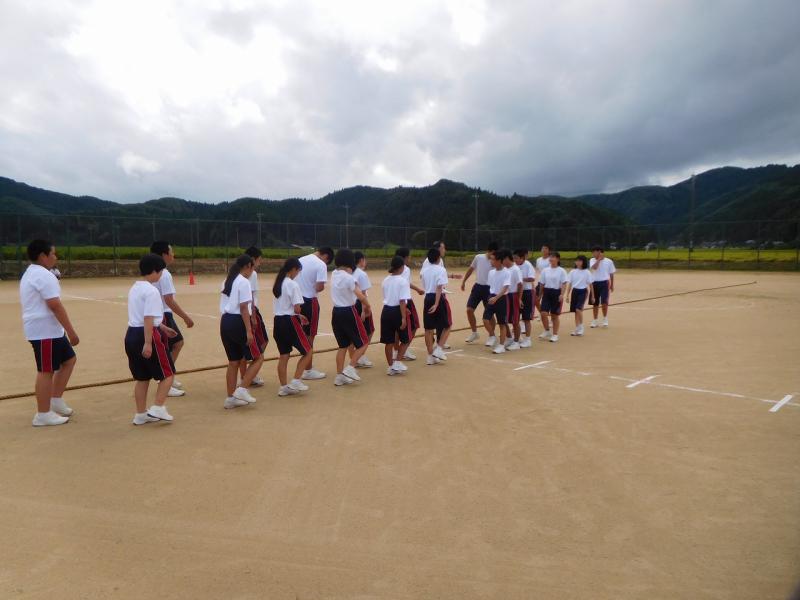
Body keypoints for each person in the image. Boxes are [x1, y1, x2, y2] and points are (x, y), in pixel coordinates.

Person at [20, 239, 79, 427]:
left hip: (51, 330)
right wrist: (71, 331)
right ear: (42, 256)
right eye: (53, 253)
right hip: (44, 331)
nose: (56, 257)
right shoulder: (43, 275)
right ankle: (43, 414)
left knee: (69, 360)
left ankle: (55, 399)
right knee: (46, 370)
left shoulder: (34, 272)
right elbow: (55, 305)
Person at [124, 253, 179, 425]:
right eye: (161, 271)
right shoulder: (152, 291)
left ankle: (141, 414)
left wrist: (163, 327)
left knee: (142, 378)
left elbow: (144, 316)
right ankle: (158, 407)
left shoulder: (135, 288)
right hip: (147, 335)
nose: (161, 275)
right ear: (154, 271)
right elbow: (148, 317)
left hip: (131, 334)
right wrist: (148, 343)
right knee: (168, 373)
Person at [150, 241, 194, 398]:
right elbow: (169, 300)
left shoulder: (153, 272)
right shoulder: (165, 274)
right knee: (177, 344)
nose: (173, 254)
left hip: (157, 314)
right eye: (171, 251)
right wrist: (186, 317)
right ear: (164, 255)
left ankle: (168, 377)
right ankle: (166, 379)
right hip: (164, 314)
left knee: (172, 345)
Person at [219, 255, 263, 409]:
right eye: (253, 267)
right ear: (248, 266)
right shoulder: (244, 282)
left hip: (225, 321)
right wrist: (249, 331)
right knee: (258, 357)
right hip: (238, 322)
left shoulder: (227, 280)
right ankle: (242, 388)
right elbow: (244, 308)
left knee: (233, 362)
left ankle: (230, 398)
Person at [272, 257, 313, 396]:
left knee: (284, 355)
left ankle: (284, 386)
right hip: (290, 322)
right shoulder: (292, 284)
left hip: (278, 321)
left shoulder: (279, 283)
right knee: (308, 351)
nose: (297, 274)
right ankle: (296, 380)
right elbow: (296, 308)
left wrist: (298, 315)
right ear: (294, 269)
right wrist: (299, 314)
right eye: (298, 271)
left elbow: (284, 306)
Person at [330, 249, 371, 386]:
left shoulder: (334, 274)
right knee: (364, 341)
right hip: (348, 311)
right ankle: (350, 367)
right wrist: (368, 306)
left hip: (336, 312)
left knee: (343, 346)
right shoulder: (349, 278)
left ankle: (339, 376)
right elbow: (360, 296)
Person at [296, 246, 334, 380]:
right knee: (310, 336)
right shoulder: (321, 264)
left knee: (300, 334)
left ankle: (305, 367)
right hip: (309, 301)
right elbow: (319, 287)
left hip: (296, 300)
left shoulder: (301, 259)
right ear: (326, 257)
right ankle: (308, 369)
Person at [461, 241, 498, 344]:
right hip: (477, 287)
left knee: (489, 314)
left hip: (489, 289)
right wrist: (464, 281)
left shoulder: (496, 260)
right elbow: (470, 269)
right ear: (489, 251)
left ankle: (492, 335)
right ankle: (474, 333)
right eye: (493, 253)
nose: (493, 255)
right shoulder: (478, 257)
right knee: (469, 310)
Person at [380, 256, 412, 376]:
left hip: (386, 311)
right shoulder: (403, 281)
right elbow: (402, 301)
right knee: (405, 339)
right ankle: (397, 362)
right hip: (397, 311)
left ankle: (391, 366)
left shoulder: (385, 280)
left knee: (389, 341)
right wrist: (403, 317)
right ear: (401, 267)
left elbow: (387, 297)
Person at [241, 246, 268, 386]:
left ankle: (246, 375)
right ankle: (249, 375)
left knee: (244, 347)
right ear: (252, 259)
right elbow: (250, 295)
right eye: (259, 260)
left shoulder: (237, 271)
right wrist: (253, 317)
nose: (260, 263)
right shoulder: (252, 273)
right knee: (262, 341)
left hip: (245, 311)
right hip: (251, 311)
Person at [420, 248, 451, 365]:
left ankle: (430, 356)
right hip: (437, 298)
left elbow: (425, 286)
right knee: (447, 326)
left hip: (427, 297)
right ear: (438, 258)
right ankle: (438, 349)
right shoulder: (441, 270)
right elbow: (439, 287)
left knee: (428, 329)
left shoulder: (424, 271)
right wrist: (437, 303)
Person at [394, 247, 423, 361]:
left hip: (394, 302)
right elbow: (404, 284)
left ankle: (396, 351)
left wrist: (417, 289)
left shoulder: (394, 269)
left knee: (397, 328)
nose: (410, 258)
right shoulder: (405, 269)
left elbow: (405, 283)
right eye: (409, 256)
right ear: (405, 257)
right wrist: (405, 306)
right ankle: (403, 351)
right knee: (414, 325)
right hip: (405, 300)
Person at [483, 249, 511, 354]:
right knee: (485, 319)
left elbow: (505, 287)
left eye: (493, 259)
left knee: (502, 324)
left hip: (502, 298)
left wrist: (496, 298)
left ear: (499, 261)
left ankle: (501, 346)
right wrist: (491, 297)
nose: (491, 261)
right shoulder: (491, 272)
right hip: (491, 297)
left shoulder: (507, 272)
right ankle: (492, 336)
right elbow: (491, 286)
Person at [539, 252, 568, 342]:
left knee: (554, 315)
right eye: (550, 257)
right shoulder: (545, 270)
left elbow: (564, 283)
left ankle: (555, 334)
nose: (551, 259)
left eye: (553, 257)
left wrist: (562, 294)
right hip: (547, 292)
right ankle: (547, 330)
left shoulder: (561, 271)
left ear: (558, 259)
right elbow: (542, 283)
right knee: (543, 313)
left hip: (556, 292)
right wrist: (540, 294)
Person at [352, 251, 374, 368]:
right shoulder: (361, 274)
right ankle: (359, 356)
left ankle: (355, 356)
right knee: (369, 330)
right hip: (360, 303)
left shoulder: (350, 272)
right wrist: (364, 310)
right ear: (361, 260)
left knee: (354, 332)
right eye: (364, 259)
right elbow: (363, 294)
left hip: (351, 304)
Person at [589, 246, 616, 328]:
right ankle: (595, 320)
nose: (593, 254)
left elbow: (611, 274)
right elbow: (594, 267)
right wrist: (599, 260)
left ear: (600, 252)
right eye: (592, 252)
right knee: (595, 303)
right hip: (594, 283)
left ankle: (605, 319)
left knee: (604, 302)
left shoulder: (609, 261)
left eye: (594, 252)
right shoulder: (592, 260)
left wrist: (612, 285)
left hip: (604, 283)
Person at [567, 254, 594, 336]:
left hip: (583, 291)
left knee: (578, 309)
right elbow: (570, 284)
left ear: (584, 262)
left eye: (580, 261)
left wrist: (593, 296)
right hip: (575, 291)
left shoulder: (587, 272)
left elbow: (591, 285)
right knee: (575, 311)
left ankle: (581, 327)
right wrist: (567, 295)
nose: (578, 262)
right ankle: (577, 328)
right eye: (577, 260)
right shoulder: (572, 272)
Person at [514, 248, 535, 347]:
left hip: (527, 292)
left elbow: (532, 278)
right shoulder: (514, 266)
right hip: (516, 293)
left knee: (526, 318)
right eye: (514, 258)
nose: (515, 260)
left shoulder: (528, 265)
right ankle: (517, 337)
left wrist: (520, 279)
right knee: (515, 317)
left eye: (517, 258)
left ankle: (528, 339)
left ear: (522, 258)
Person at [503, 252, 522, 350]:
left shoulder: (515, 269)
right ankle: (509, 338)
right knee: (503, 319)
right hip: (505, 295)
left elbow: (520, 285)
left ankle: (516, 341)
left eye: (503, 259)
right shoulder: (504, 269)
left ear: (507, 258)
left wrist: (519, 298)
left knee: (515, 320)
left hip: (513, 295)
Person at [534, 244, 551, 313]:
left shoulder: (551, 259)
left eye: (546, 248)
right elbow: (538, 270)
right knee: (535, 299)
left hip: (549, 283)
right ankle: (542, 313)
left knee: (548, 301)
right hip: (540, 282)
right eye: (543, 248)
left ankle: (548, 315)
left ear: (549, 250)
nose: (544, 250)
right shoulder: (538, 260)